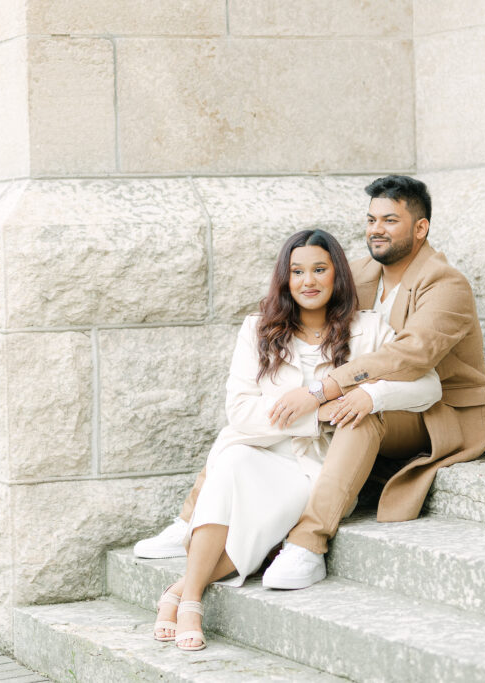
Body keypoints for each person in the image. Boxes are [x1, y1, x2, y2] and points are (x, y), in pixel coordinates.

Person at [137, 175, 485, 591]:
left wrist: (326, 390)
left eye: (390, 220)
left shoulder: (444, 282)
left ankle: (308, 543)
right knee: (244, 428)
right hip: (380, 395)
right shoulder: (363, 272)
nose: (376, 230)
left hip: (440, 411)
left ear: (420, 228)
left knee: (358, 414)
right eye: (370, 220)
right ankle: (191, 519)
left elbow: (410, 357)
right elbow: (317, 283)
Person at [154, 228, 442, 651]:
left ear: (336, 275)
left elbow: (428, 386)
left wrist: (368, 395)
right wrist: (312, 417)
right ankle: (192, 598)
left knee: (261, 516)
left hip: (317, 468)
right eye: (297, 271)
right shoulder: (258, 330)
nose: (308, 281)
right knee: (229, 467)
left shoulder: (369, 330)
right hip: (261, 451)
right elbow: (241, 412)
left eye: (319, 269)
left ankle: (180, 592)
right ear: (285, 279)